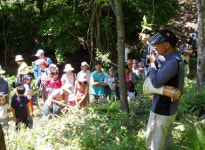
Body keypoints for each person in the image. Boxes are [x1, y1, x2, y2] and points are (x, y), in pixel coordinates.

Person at [139, 29, 184, 150]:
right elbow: (156, 53)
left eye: (158, 44)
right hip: (168, 111)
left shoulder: (172, 62)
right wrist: (146, 43)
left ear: (167, 45)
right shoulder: (171, 57)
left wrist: (152, 64)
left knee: (154, 145)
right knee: (166, 144)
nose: (156, 47)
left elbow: (156, 82)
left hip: (161, 111)